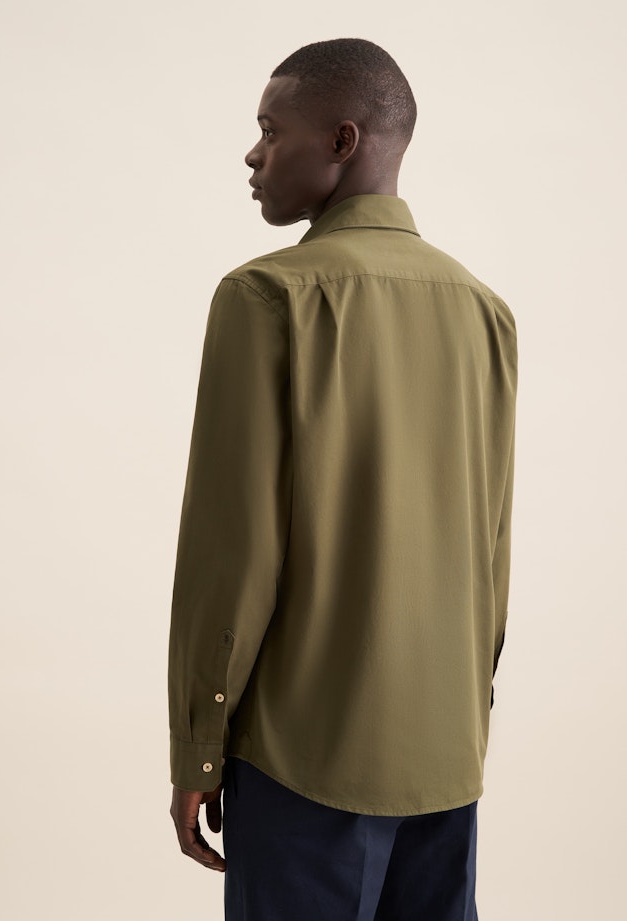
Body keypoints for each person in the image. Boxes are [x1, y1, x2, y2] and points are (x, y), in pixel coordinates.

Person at [168, 38, 518, 921]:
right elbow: (493, 544)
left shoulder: (266, 296)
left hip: (304, 756)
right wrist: (470, 709)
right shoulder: (484, 309)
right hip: (447, 754)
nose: (252, 154)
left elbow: (233, 553)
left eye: (270, 130)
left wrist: (198, 745)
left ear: (342, 140)